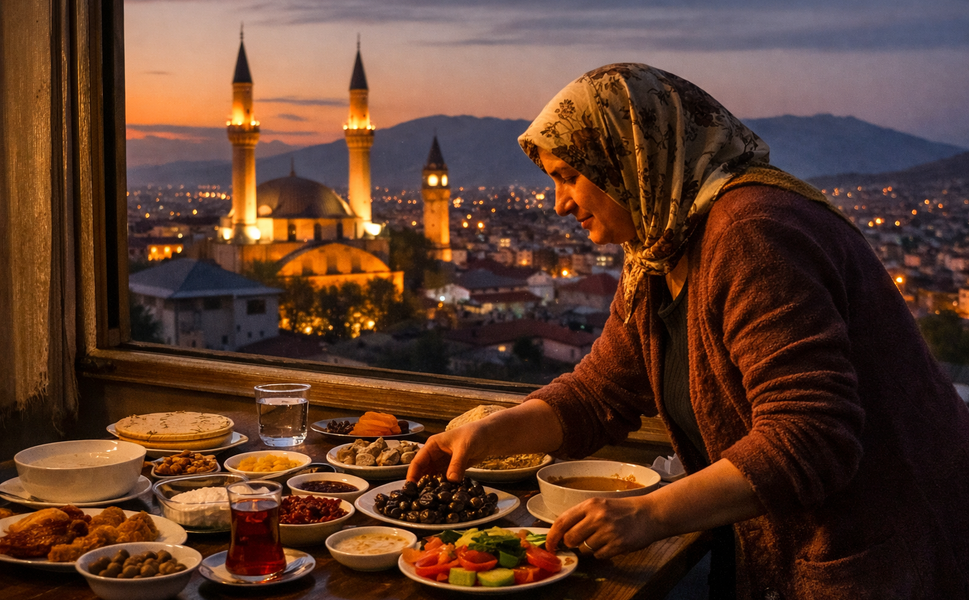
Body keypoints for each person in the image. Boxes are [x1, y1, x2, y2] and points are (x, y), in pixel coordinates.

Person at [407, 63, 969, 599]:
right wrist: (486, 435)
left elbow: (811, 434)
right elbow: (600, 392)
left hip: (877, 550)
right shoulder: (660, 249)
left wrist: (649, 514)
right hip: (782, 548)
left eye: (569, 176)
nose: (559, 204)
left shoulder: (751, 231)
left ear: (629, 157)